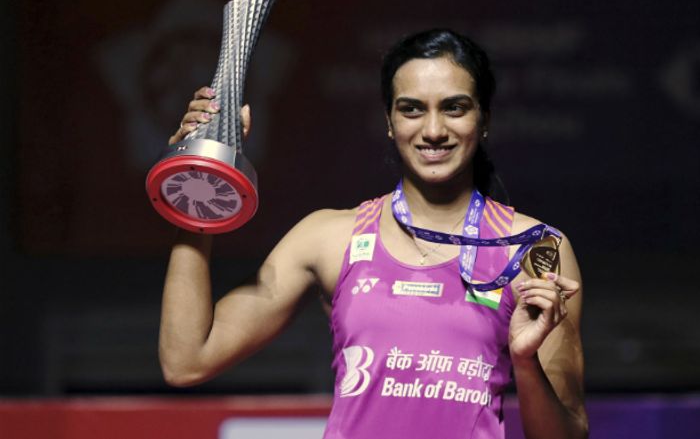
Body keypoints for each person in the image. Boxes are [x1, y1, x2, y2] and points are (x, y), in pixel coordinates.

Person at [159, 29, 588, 439]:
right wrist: (197, 178)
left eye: (454, 108)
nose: (433, 130)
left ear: (484, 119)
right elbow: (187, 361)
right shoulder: (329, 237)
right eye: (412, 109)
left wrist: (525, 364)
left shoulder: (533, 250)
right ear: (389, 121)